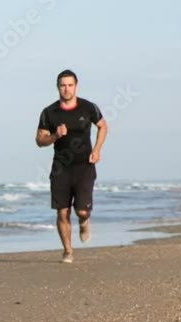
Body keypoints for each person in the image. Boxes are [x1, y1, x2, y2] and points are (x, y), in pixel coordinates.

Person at [35, 69, 108, 263]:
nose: (66, 89)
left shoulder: (88, 107)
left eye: (70, 85)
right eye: (63, 85)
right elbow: (39, 140)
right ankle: (68, 251)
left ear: (76, 86)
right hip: (60, 168)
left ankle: (84, 221)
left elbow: (103, 126)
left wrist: (97, 149)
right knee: (62, 211)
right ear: (57, 87)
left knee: (82, 211)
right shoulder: (49, 112)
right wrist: (55, 135)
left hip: (84, 166)